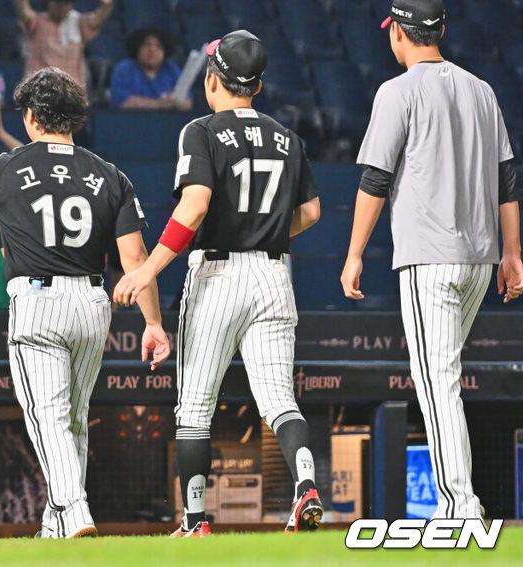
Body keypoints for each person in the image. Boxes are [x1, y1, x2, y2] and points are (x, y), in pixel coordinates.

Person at [0, 66, 172, 538]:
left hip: (38, 302)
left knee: (48, 416)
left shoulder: (6, 166)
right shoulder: (110, 174)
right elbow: (134, 259)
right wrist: (153, 323)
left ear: (31, 117)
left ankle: (74, 510)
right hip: (94, 303)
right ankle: (57, 527)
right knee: (74, 417)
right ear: (73, 119)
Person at [113, 30, 324, 536]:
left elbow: (195, 204)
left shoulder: (200, 131)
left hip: (219, 273)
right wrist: (268, 231)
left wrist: (146, 270)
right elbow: (312, 212)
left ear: (212, 81)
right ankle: (306, 486)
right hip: (274, 274)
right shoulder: (286, 136)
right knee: (279, 400)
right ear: (259, 85)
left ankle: (194, 520)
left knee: (195, 408)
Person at [341, 0, 523, 520]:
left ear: (398, 32)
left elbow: (375, 179)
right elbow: (508, 181)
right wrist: (512, 253)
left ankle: (459, 506)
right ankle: (461, 500)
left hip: (430, 261)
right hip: (479, 259)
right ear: (439, 30)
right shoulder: (481, 89)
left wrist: (354, 253)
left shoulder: (397, 91)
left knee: (435, 381)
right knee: (444, 375)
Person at [15, 0, 114, 89]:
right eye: (58, 2)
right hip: (40, 91)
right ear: (48, 3)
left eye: (66, 3)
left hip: (71, 94)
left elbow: (100, 15)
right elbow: (23, 8)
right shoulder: (36, 22)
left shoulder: (78, 23)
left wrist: (106, 4)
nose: (62, 7)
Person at [111, 27, 192, 111]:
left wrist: (177, 101)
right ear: (137, 48)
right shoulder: (124, 69)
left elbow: (188, 103)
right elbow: (123, 102)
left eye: (159, 46)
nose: (152, 50)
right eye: (147, 45)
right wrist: (160, 104)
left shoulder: (172, 69)